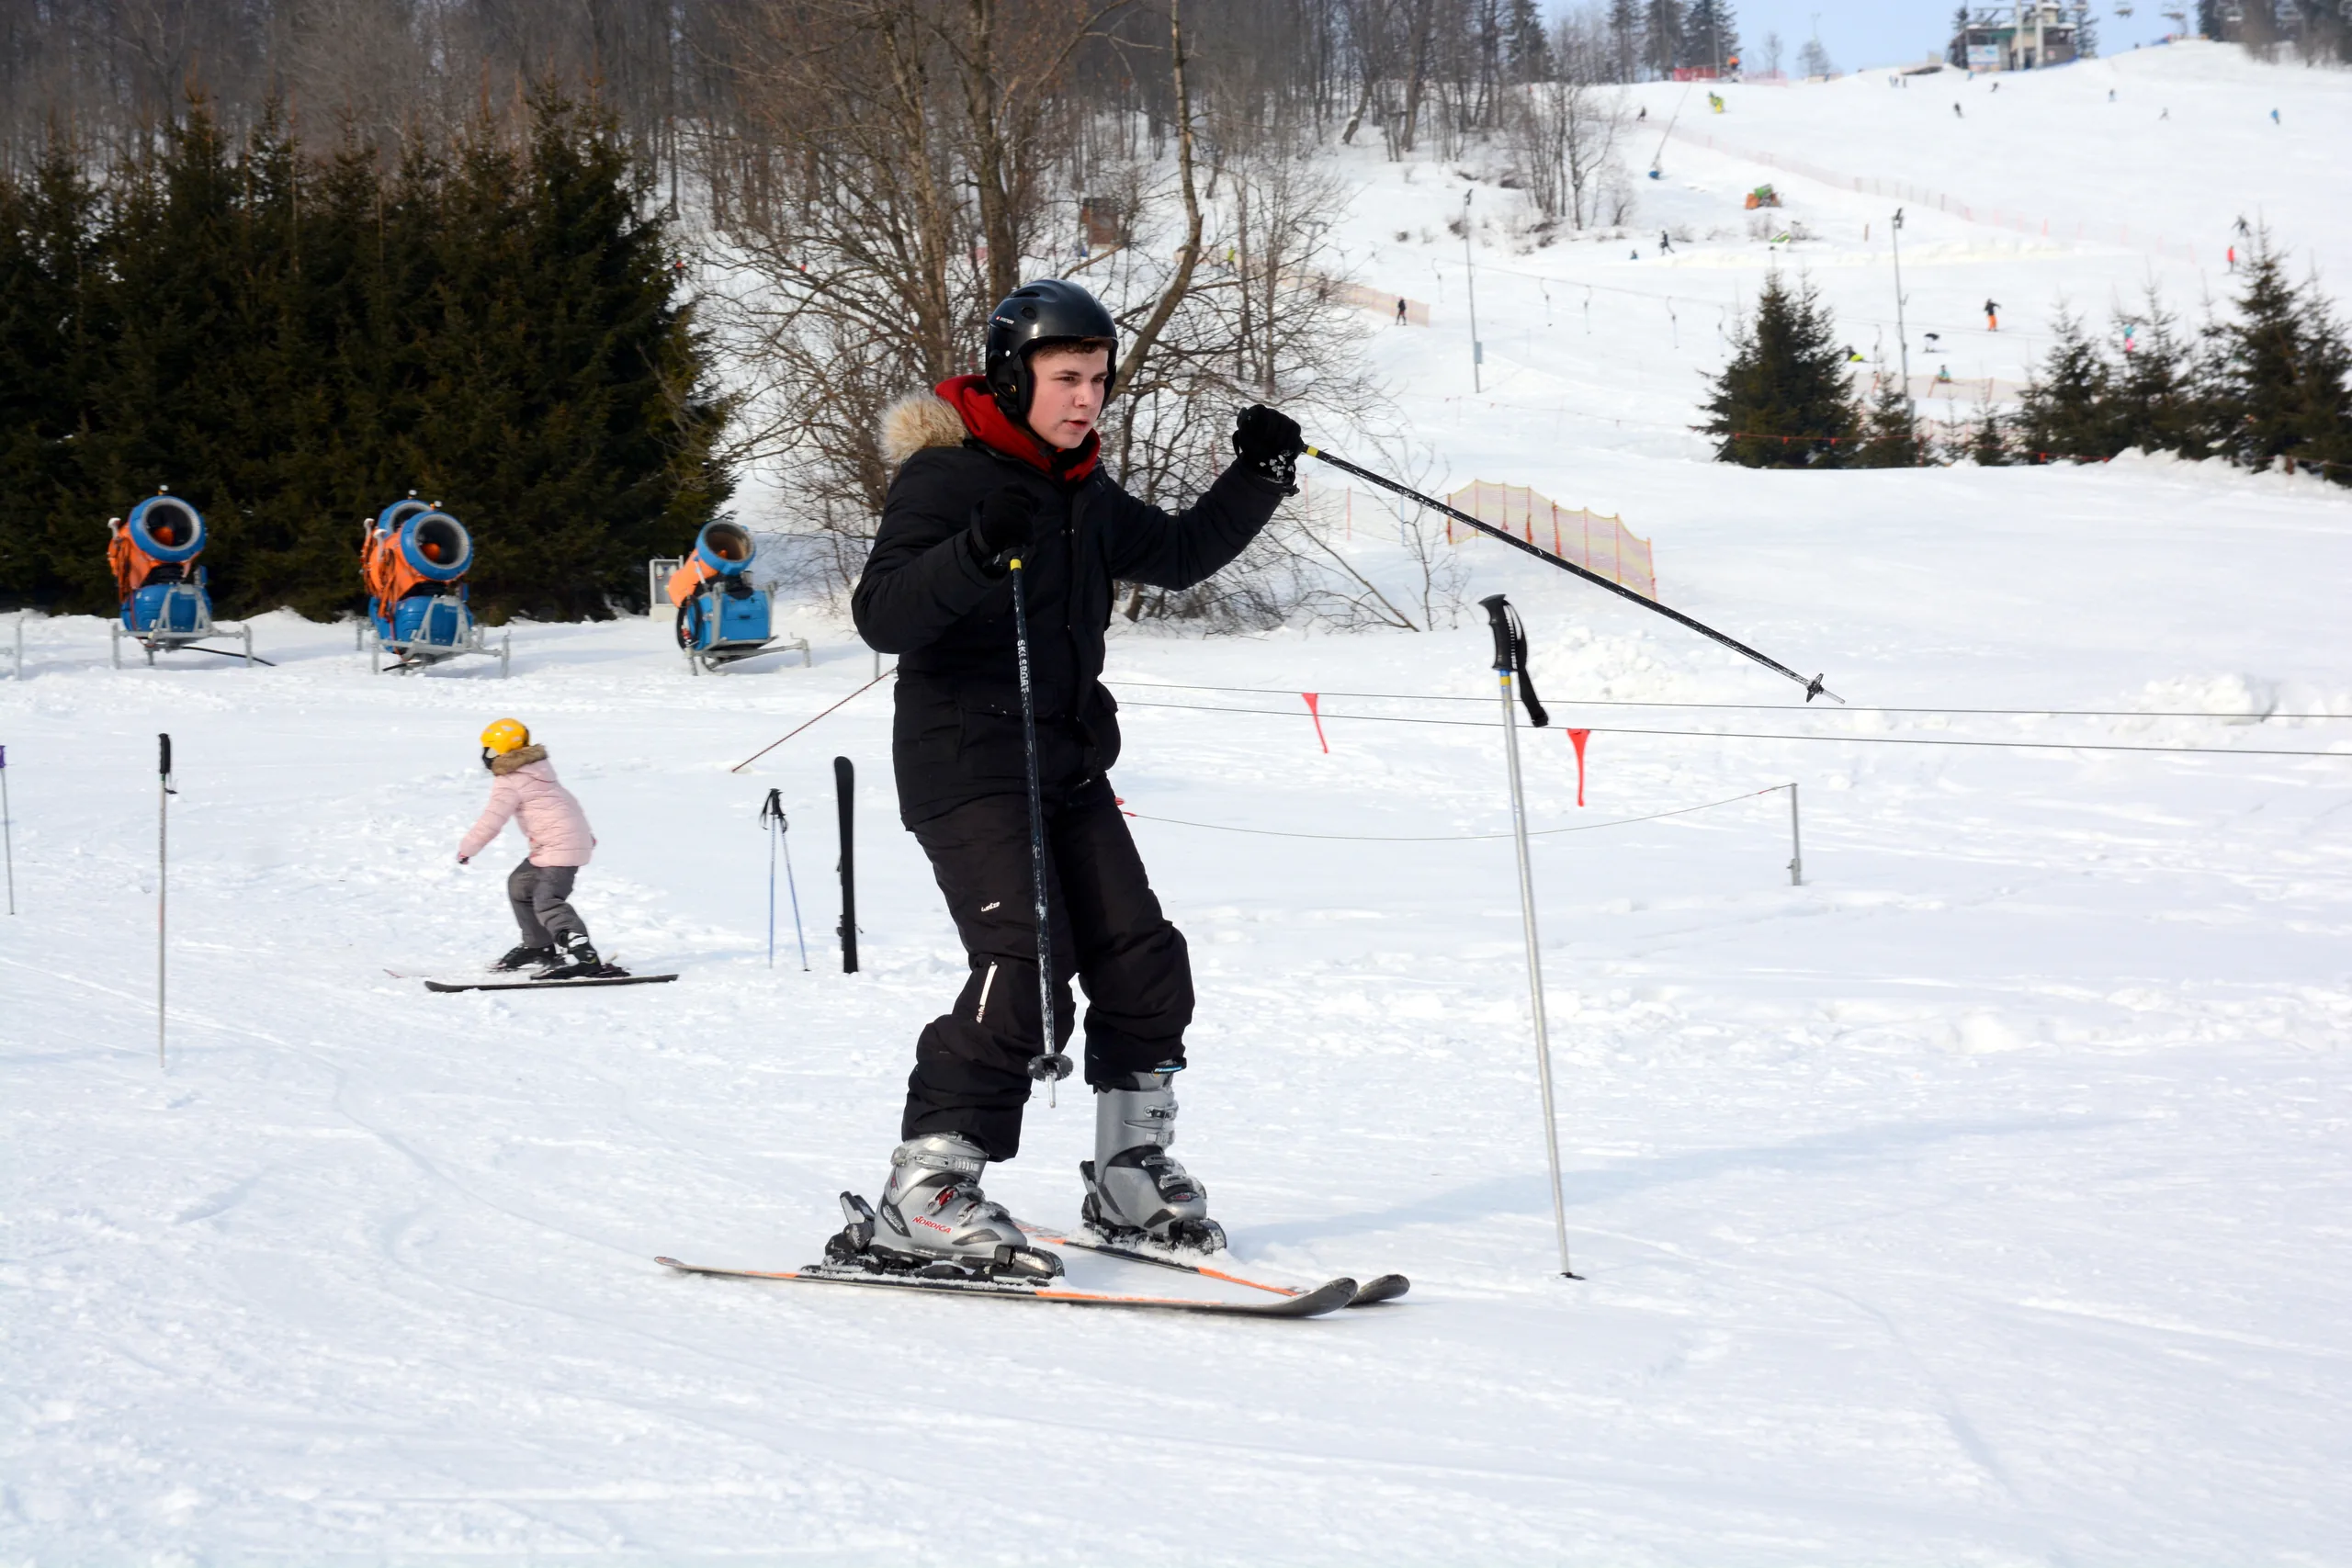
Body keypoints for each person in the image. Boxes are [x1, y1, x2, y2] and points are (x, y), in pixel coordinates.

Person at [847, 278, 1301, 1277]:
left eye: (1097, 380)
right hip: (964, 763)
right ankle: (924, 1188)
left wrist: (1258, 473)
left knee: (1141, 954)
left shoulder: (1079, 489)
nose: (1086, 399)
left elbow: (1178, 555)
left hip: (1063, 766)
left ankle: (1129, 1169)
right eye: (1066, 379)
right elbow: (882, 617)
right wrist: (973, 551)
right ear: (1014, 379)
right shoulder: (945, 479)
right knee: (1026, 958)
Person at [458, 718, 606, 978]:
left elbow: (492, 819)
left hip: (559, 847)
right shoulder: (537, 771)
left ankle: (584, 956)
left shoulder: (512, 780)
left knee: (547, 900)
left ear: (500, 751)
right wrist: (585, 836)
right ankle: (539, 946)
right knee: (520, 885)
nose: (486, 757)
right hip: (561, 843)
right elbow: (568, 803)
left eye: (489, 751)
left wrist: (468, 848)